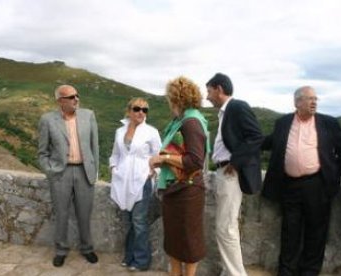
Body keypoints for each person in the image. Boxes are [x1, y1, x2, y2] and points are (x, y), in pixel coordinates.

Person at [261, 86, 341, 276]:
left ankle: (309, 272)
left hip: (317, 185)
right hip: (289, 185)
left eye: (316, 99)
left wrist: (333, 173)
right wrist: (243, 143)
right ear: (297, 102)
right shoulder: (283, 123)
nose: (314, 102)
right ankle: (286, 271)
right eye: (309, 98)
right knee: (289, 231)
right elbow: (268, 143)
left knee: (316, 232)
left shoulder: (328, 123)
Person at [149, 76, 210, 276]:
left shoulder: (191, 122)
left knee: (189, 242)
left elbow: (194, 161)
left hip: (187, 192)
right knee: (175, 240)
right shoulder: (182, 120)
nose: (168, 102)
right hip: (177, 190)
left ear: (177, 98)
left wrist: (163, 158)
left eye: (170, 97)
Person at [206, 72, 263, 276]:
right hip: (223, 171)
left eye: (209, 91)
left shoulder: (237, 106)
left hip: (231, 173)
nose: (207, 96)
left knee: (226, 227)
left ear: (219, 89)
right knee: (226, 226)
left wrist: (235, 162)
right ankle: (228, 272)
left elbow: (256, 136)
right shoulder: (226, 112)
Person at [38, 84, 99, 267]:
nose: (76, 99)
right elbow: (42, 152)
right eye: (71, 97)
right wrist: (50, 171)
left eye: (77, 96)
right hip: (60, 173)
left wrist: (94, 171)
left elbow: (94, 147)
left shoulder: (89, 116)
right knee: (61, 214)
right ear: (60, 101)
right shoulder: (47, 120)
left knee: (84, 213)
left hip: (84, 171)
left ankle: (87, 248)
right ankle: (61, 250)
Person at [109, 98, 161, 271]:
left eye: (145, 110)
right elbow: (115, 154)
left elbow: (159, 155)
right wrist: (114, 168)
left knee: (139, 221)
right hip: (122, 181)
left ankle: (141, 261)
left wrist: (152, 172)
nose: (141, 113)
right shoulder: (119, 131)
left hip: (141, 180)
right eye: (137, 109)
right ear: (129, 110)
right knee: (130, 221)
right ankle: (129, 256)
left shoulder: (151, 132)